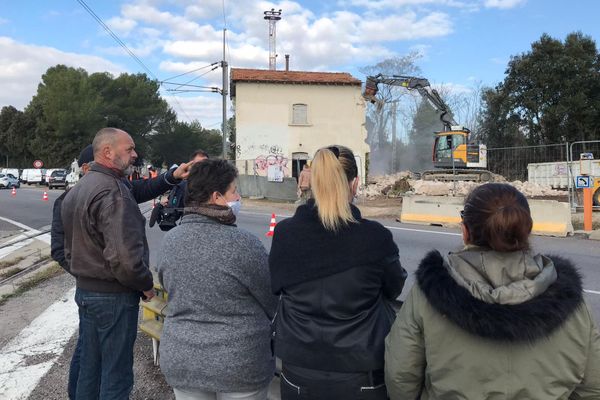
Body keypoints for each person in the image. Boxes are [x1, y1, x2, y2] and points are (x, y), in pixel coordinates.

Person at [385, 183, 600, 399]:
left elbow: (401, 377)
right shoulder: (570, 299)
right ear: (526, 230)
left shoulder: (428, 294)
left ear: (465, 231)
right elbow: (592, 386)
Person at [61, 128, 193, 399]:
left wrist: (170, 177)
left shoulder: (81, 189)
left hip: (86, 292)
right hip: (113, 297)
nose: (135, 155)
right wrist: (146, 286)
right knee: (116, 373)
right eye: (129, 149)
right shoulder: (113, 193)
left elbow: (68, 247)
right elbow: (125, 259)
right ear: (108, 152)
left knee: (90, 367)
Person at [269, 145, 407, 400]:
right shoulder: (375, 238)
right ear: (354, 184)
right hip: (360, 368)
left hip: (299, 366)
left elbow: (276, 285)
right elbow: (393, 287)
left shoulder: (286, 233)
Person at [157, 159, 277, 400]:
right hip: (240, 363)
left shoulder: (170, 242)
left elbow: (169, 287)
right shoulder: (245, 245)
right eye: (234, 191)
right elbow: (270, 301)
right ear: (217, 196)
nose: (238, 197)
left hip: (183, 359)